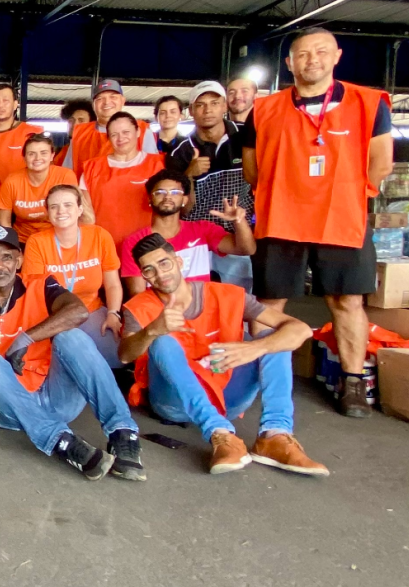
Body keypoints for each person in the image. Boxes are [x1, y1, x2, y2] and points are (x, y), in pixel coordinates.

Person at [240, 28, 393, 418]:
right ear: (289, 63)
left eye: (321, 52)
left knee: (347, 301)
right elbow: (253, 169)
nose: (312, 60)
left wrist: (343, 192)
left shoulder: (368, 102)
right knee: (271, 301)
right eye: (303, 54)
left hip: (341, 219)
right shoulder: (265, 108)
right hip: (280, 219)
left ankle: (353, 381)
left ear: (336, 56)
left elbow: (381, 162)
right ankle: (263, 375)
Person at [121, 234, 329, 476]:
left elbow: (300, 330)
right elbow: (125, 355)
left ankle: (275, 436)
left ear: (178, 261)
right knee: (161, 341)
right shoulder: (139, 307)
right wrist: (151, 331)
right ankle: (219, 434)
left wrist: (255, 347)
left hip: (228, 395)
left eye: (164, 263)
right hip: (174, 403)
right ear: (143, 276)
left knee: (275, 338)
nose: (160, 274)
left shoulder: (226, 294)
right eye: (149, 270)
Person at [0, 226, 142, 481]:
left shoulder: (41, 285)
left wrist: (26, 337)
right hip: (10, 408)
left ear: (19, 260)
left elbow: (79, 312)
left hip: (55, 395)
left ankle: (121, 432)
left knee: (71, 336)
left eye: (7, 257)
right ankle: (63, 442)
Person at [20, 185, 123, 366]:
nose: (61, 211)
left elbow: (112, 283)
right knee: (74, 362)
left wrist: (114, 313)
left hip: (92, 310)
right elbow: (36, 294)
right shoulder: (37, 242)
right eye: (54, 206)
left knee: (118, 359)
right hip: (56, 316)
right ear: (48, 213)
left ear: (80, 209)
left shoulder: (99, 235)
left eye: (68, 205)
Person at [169, 81, 254, 289]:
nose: (208, 110)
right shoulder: (180, 152)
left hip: (239, 238)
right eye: (200, 105)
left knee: (240, 305)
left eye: (214, 103)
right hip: (198, 243)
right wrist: (189, 174)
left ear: (225, 106)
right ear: (191, 111)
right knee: (197, 303)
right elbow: (183, 208)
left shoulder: (247, 138)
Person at [119, 171, 255, 296]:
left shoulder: (202, 229)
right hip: (163, 315)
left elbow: (246, 249)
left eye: (175, 192)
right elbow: (138, 294)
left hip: (202, 310)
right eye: (160, 192)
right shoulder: (134, 242)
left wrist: (239, 221)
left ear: (185, 200)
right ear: (149, 199)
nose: (167, 197)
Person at [79, 111, 165, 248]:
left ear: (138, 132)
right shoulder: (91, 168)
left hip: (149, 248)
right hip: (105, 246)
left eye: (126, 132)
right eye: (114, 134)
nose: (121, 138)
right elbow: (86, 217)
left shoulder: (159, 164)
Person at [62, 80, 156, 179]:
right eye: (100, 99)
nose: (106, 102)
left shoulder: (142, 130)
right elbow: (67, 174)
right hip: (87, 193)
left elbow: (154, 172)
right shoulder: (80, 133)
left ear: (122, 100)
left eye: (113, 97)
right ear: (93, 105)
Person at [0, 133, 79, 244]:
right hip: (22, 239)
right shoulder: (12, 181)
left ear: (52, 156)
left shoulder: (65, 176)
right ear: (24, 158)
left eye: (43, 153)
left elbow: (75, 212)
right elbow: (4, 220)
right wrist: (13, 245)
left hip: (58, 238)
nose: (38, 158)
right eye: (31, 154)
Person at [0, 83, 43, 183]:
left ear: (15, 105)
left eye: (5, 100)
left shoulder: (33, 133)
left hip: (22, 194)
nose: (0, 105)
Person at [55, 99, 94, 165]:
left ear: (92, 124)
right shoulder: (61, 152)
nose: (75, 124)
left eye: (81, 120)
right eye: (71, 120)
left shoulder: (98, 150)